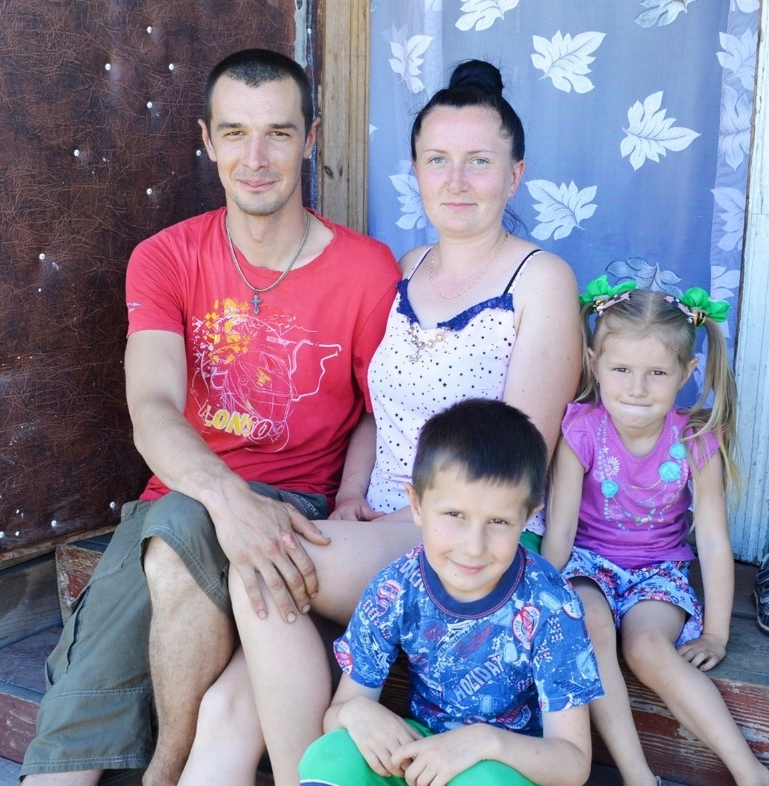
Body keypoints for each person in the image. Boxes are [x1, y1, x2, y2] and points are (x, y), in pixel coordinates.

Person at [180, 60, 583, 786]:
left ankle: (310, 776)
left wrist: (404, 516)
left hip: (466, 530)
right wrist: (348, 497)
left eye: (479, 161)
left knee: (263, 565)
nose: (456, 180)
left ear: (514, 175)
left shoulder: (541, 280)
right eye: (437, 160)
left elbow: (516, 457)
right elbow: (373, 405)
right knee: (225, 710)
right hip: (376, 529)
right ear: (416, 171)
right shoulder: (407, 267)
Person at [19, 49, 401, 786]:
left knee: (175, 540)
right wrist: (229, 500)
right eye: (234, 133)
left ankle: (163, 773)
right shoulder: (165, 257)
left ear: (311, 137)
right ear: (206, 139)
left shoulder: (366, 270)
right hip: (185, 492)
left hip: (300, 507)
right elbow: (152, 407)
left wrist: (353, 495)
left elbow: (377, 410)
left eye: (277, 133)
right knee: (64, 749)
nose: (255, 159)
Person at [542, 278, 769, 786]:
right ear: (594, 364)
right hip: (588, 565)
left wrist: (716, 632)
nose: (636, 388)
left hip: (658, 571)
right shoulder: (580, 430)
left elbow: (712, 541)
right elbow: (560, 532)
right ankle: (638, 777)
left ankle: (752, 774)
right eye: (621, 370)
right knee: (590, 624)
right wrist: (537, 592)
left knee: (647, 648)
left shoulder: (695, 438)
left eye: (656, 373)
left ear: (686, 372)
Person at [297, 398, 603, 786]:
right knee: (331, 755)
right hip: (422, 753)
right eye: (455, 515)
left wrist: (486, 741)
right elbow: (340, 709)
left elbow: (573, 763)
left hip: (506, 765)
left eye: (498, 521)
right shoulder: (395, 589)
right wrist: (353, 713)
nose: (473, 547)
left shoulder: (550, 604)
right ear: (417, 505)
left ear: (527, 517)